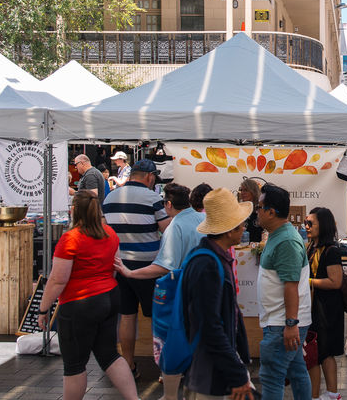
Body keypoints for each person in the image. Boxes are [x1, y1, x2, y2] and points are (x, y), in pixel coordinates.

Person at [38, 190, 138, 400]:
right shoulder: (110, 233)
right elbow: (114, 266)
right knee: (109, 355)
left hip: (79, 303)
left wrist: (43, 308)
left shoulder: (70, 239)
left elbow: (58, 280)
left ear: (74, 210)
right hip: (109, 297)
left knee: (74, 364)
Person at [113, 182, 202, 400]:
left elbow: (164, 266)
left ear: (169, 204)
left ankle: (173, 388)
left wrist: (131, 273)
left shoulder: (174, 227)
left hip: (182, 292)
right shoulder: (201, 219)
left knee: (175, 341)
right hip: (203, 290)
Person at [180, 188, 255, 400]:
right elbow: (209, 326)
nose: (244, 228)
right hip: (207, 374)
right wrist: (236, 373)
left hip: (213, 369)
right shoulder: (208, 264)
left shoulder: (213, 258)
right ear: (229, 230)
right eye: (241, 224)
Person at [101, 158, 170, 377]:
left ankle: (129, 364)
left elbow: (104, 230)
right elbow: (167, 229)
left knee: (127, 315)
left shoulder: (110, 197)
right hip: (148, 266)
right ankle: (164, 368)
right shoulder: (153, 198)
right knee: (156, 316)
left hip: (119, 265)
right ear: (149, 177)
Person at [256, 183, 313, 400]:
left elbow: (291, 284)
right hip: (281, 321)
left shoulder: (287, 240)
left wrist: (290, 324)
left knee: (272, 376)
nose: (257, 212)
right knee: (296, 371)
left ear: (271, 212)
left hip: (282, 323)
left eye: (259, 207)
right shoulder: (278, 235)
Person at [305, 207, 344, 400]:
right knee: (314, 353)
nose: (306, 227)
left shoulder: (331, 250)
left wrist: (309, 282)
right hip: (314, 307)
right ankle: (316, 395)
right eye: (306, 223)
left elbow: (336, 282)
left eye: (310, 223)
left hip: (327, 309)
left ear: (323, 225)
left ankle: (332, 394)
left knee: (326, 353)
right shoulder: (311, 247)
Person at [239, 176, 265, 242]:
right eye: (241, 190)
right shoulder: (239, 209)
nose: (242, 193)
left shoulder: (260, 209)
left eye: (246, 190)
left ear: (253, 192)